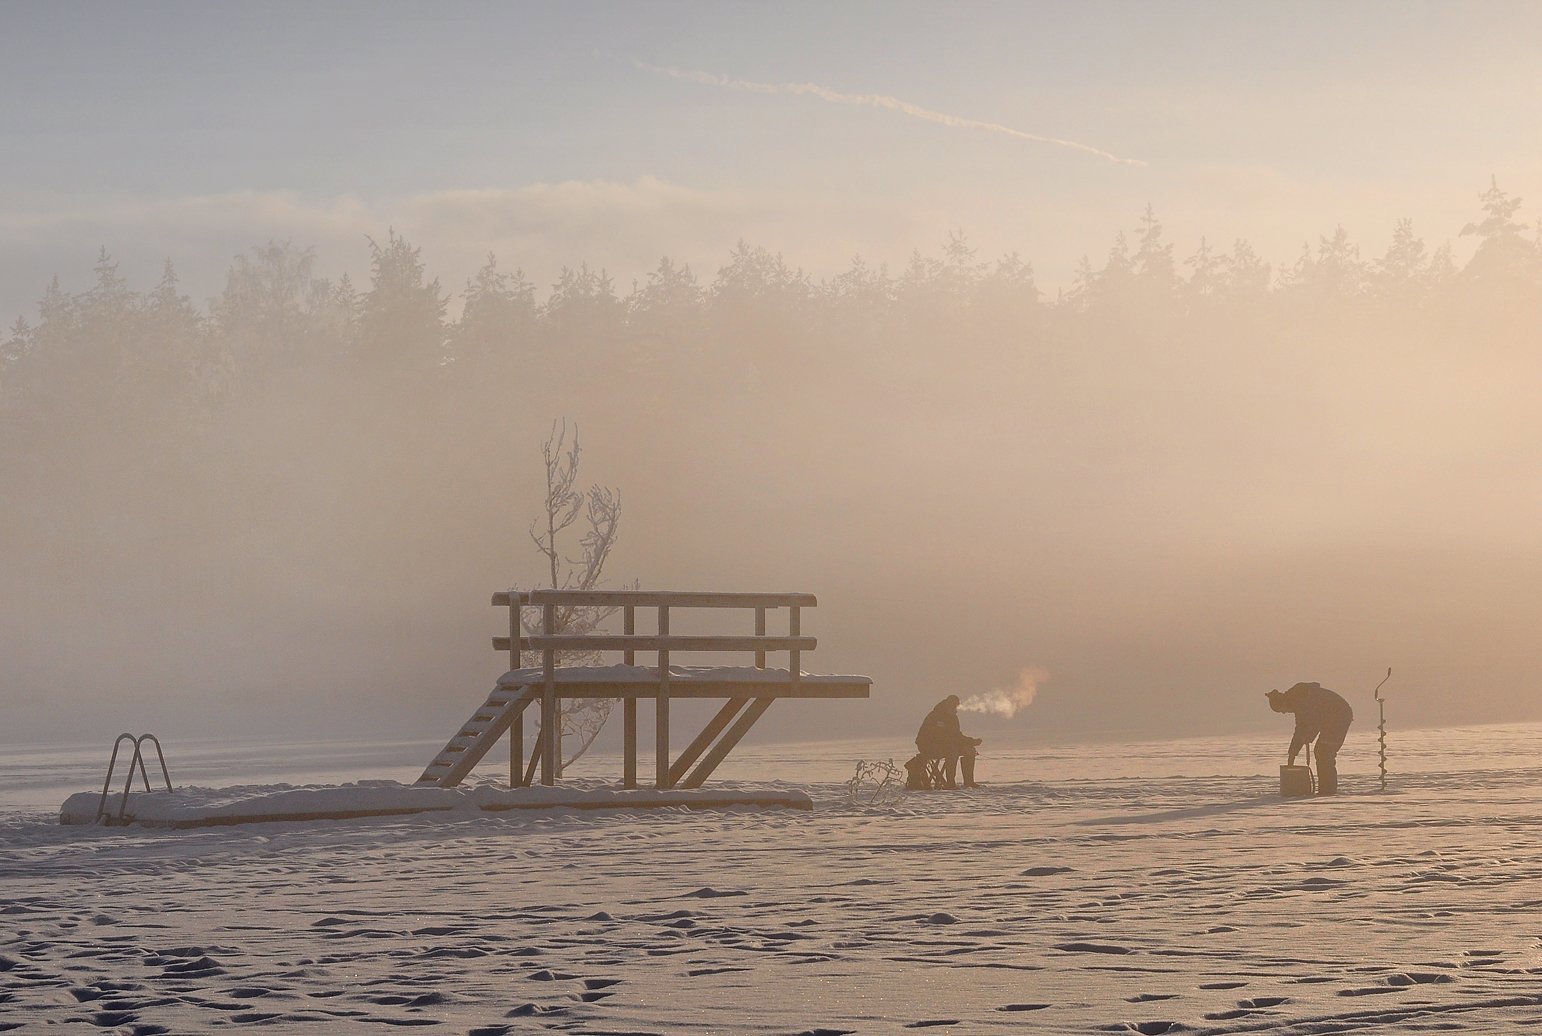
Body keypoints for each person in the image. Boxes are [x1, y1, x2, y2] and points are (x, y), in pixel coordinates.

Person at [1266, 681, 1354, 795]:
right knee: (1322, 752)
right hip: (1332, 718)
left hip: (1339, 716)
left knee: (1324, 752)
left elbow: (1313, 722)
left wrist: (1308, 737)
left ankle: (1327, 791)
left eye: (1282, 710)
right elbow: (1301, 728)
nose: (1284, 713)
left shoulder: (1300, 700)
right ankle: (1326, 790)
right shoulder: (1297, 702)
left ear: (1283, 702)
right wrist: (1293, 751)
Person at [914, 694, 982, 789]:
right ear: (948, 705)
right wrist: (967, 741)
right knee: (952, 751)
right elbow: (943, 737)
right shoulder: (935, 716)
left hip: (946, 745)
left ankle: (969, 782)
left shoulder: (953, 717)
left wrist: (971, 742)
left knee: (969, 750)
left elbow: (956, 735)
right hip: (927, 746)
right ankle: (950, 783)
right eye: (954, 707)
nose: (956, 710)